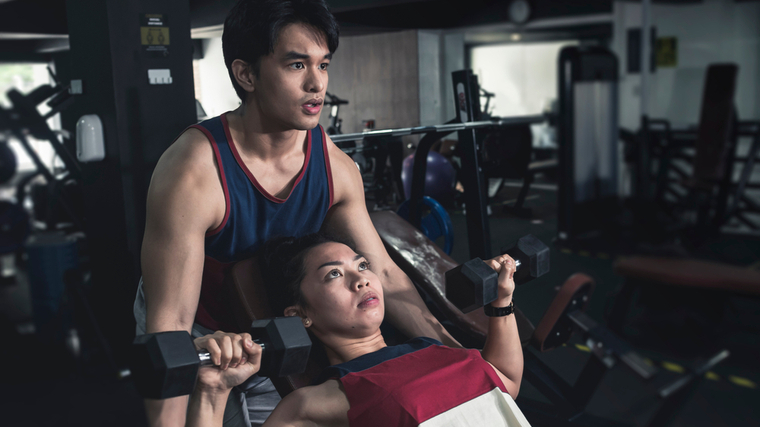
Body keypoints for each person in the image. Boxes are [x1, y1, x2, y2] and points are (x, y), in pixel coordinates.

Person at [133, 1, 458, 426]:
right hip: (199, 324)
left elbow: (386, 271)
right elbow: (169, 328)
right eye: (296, 65)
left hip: (277, 316)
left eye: (323, 65)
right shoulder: (193, 172)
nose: (315, 84)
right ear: (246, 74)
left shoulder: (335, 167)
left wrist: (454, 353)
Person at [186, 234, 528, 427]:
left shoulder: (434, 348)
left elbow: (505, 382)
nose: (361, 278)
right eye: (334, 274)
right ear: (300, 314)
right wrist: (212, 392)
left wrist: (502, 302)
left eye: (362, 265)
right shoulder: (314, 402)